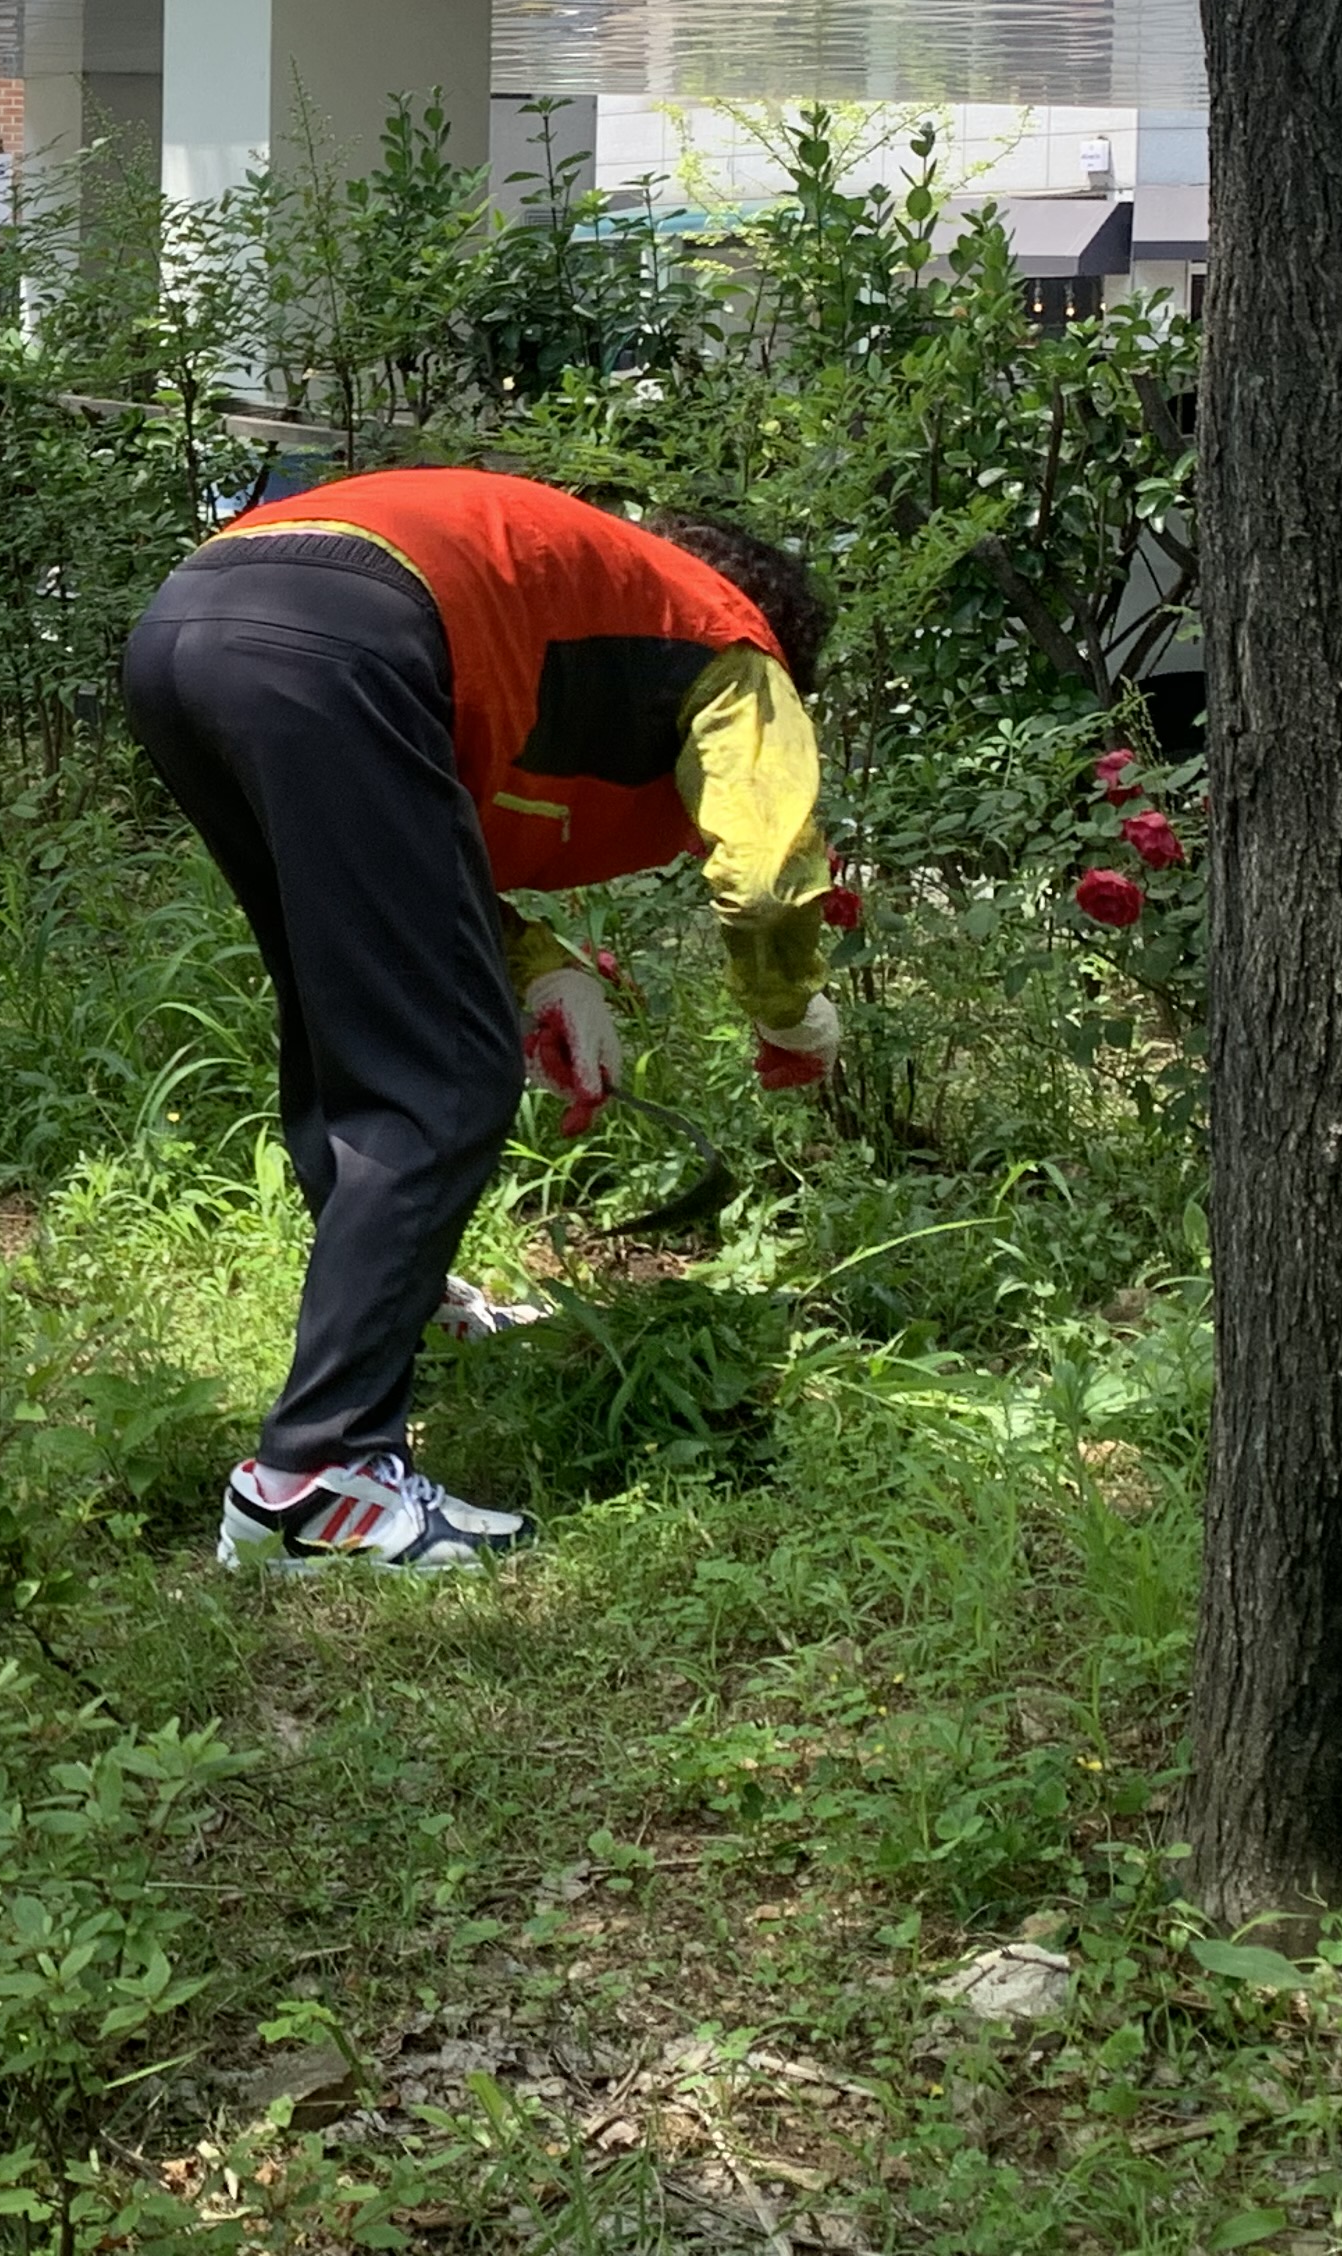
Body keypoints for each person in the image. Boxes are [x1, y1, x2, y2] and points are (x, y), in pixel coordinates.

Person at [123, 468, 837, 1576]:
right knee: (443, 1080)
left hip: (189, 624)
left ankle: (403, 1309)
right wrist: (792, 1016)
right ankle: (316, 1481)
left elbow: (412, 853)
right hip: (338, 645)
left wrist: (544, 973)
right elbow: (764, 875)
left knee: (346, 1020)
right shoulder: (733, 646)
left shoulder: (562, 590)